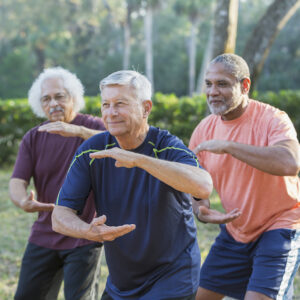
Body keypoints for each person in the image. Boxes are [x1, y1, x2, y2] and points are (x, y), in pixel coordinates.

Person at [51, 70, 213, 300]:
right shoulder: (92, 150)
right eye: (105, 104)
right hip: (122, 283)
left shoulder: (166, 145)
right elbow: (59, 216)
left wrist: (139, 160)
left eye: (120, 104)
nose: (111, 112)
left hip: (173, 278)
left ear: (146, 108)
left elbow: (203, 186)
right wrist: (87, 231)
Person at [189, 53, 300, 300]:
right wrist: (202, 209)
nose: (213, 91)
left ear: (245, 85)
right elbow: (193, 185)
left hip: (280, 224)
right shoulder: (203, 130)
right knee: (197, 296)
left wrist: (229, 146)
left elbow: (290, 163)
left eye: (223, 84)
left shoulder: (273, 119)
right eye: (208, 84)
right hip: (235, 230)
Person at [9, 67, 106, 300]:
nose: (53, 103)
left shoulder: (94, 128)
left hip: (85, 233)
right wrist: (23, 201)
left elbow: (118, 142)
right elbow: (17, 180)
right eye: (46, 99)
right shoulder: (34, 137)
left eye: (59, 96)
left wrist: (77, 131)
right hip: (45, 232)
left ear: (73, 97)